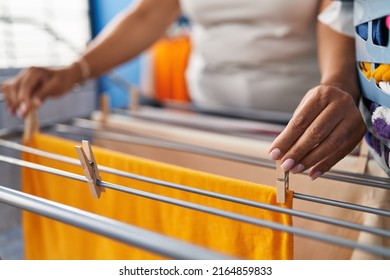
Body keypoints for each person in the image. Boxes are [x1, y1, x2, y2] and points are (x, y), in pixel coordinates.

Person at [1, 0, 366, 180]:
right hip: (208, 117)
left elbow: (333, 12)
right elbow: (149, 12)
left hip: (301, 124)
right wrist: (73, 70)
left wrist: (337, 84)